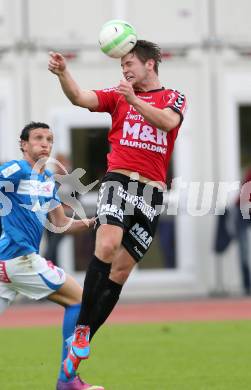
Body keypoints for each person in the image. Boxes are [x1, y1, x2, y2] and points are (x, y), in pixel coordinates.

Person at [48, 40, 187, 379]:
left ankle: (82, 344)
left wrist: (134, 100)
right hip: (119, 181)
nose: (124, 69)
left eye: (129, 63)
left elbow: (168, 123)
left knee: (121, 272)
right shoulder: (118, 94)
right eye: (122, 64)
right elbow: (80, 97)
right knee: (107, 245)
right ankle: (82, 330)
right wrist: (64, 74)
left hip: (152, 193)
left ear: (150, 64)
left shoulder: (173, 97)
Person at [0, 122, 104, 390]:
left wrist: (95, 222)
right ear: (23, 144)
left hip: (6, 266)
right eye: (37, 138)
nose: (45, 143)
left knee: (78, 301)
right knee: (79, 300)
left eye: (49, 139)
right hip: (20, 258)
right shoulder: (17, 169)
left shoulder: (46, 180)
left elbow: (61, 223)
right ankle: (67, 380)